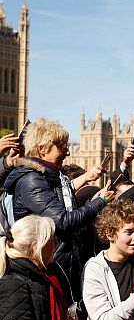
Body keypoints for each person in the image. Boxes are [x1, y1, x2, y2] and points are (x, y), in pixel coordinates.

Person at [4, 118, 114, 298]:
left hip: (57, 261)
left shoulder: (47, 177)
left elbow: (62, 193)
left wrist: (87, 177)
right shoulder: (32, 180)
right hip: (43, 263)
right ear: (42, 149)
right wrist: (100, 202)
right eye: (62, 146)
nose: (68, 152)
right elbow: (62, 221)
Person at [0, 215, 80, 320]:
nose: (56, 244)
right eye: (51, 240)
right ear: (35, 247)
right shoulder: (13, 284)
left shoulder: (45, 276)